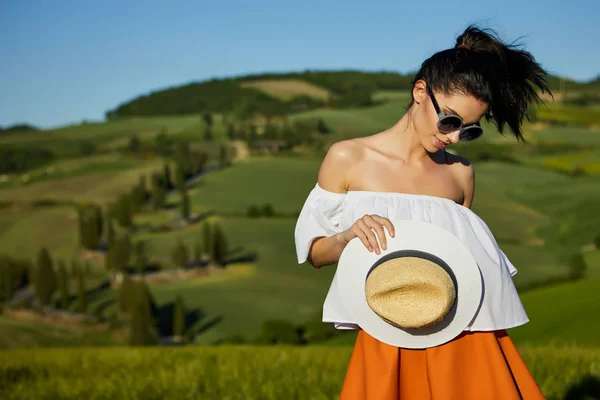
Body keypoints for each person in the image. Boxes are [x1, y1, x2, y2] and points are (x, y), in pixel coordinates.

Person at [294, 25, 551, 399]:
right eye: (449, 120)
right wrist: (349, 235)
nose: (452, 137)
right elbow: (315, 253)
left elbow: (459, 262)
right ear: (419, 92)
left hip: (468, 337)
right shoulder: (349, 157)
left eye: (468, 130)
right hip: (388, 328)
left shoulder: (460, 174)